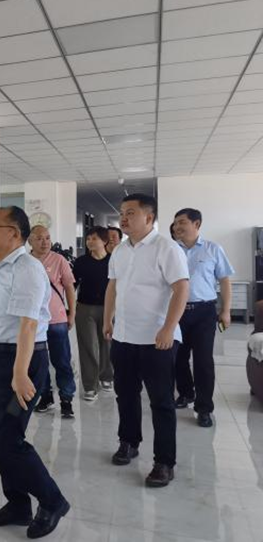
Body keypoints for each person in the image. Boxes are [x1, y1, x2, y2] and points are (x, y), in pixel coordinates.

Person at [0, 206, 69, 539]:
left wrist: (19, 373)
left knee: (9, 439)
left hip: (23, 362)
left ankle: (53, 500)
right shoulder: (1, 269)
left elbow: (28, 324)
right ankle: (17, 504)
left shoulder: (27, 269)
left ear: (14, 233)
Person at [104, 193, 189, 487]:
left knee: (161, 401)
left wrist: (168, 328)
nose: (123, 218)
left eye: (130, 213)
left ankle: (164, 462)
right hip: (124, 336)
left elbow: (181, 289)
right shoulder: (119, 250)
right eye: (121, 213)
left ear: (149, 217)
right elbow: (113, 287)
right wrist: (107, 319)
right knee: (125, 394)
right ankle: (129, 441)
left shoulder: (167, 248)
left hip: (157, 339)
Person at [172, 208, 234, 428]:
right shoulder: (171, 249)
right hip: (177, 311)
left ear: (196, 224)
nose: (177, 227)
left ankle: (204, 408)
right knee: (177, 358)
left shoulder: (213, 249)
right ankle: (186, 393)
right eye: (175, 223)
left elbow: (224, 281)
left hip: (204, 312)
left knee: (203, 361)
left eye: (182, 222)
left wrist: (226, 310)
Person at [28, 226, 77, 418]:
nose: (45, 242)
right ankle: (45, 396)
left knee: (62, 361)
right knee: (39, 363)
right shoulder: (25, 261)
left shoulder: (59, 260)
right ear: (30, 241)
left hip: (56, 320)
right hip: (33, 321)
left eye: (48, 238)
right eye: (40, 238)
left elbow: (69, 288)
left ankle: (66, 399)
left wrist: (72, 314)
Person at [73, 226, 113, 401]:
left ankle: (107, 376)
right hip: (85, 308)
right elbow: (72, 285)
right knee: (88, 346)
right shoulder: (81, 262)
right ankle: (90, 386)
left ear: (104, 241)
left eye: (94, 238)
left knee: (107, 344)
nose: (90, 242)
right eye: (88, 238)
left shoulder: (113, 261)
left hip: (109, 308)